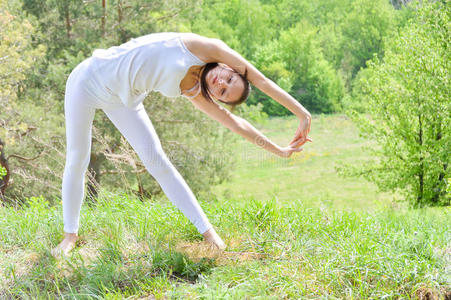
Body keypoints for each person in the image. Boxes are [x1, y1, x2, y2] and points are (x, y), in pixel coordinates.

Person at [52, 32, 311, 256]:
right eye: (229, 80)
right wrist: (302, 114)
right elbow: (261, 80)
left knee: (158, 162)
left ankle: (210, 235)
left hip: (122, 99)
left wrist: (279, 150)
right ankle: (70, 236)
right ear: (230, 68)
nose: (221, 84)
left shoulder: (195, 91)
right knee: (78, 158)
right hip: (87, 81)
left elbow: (236, 124)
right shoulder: (203, 47)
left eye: (223, 93)